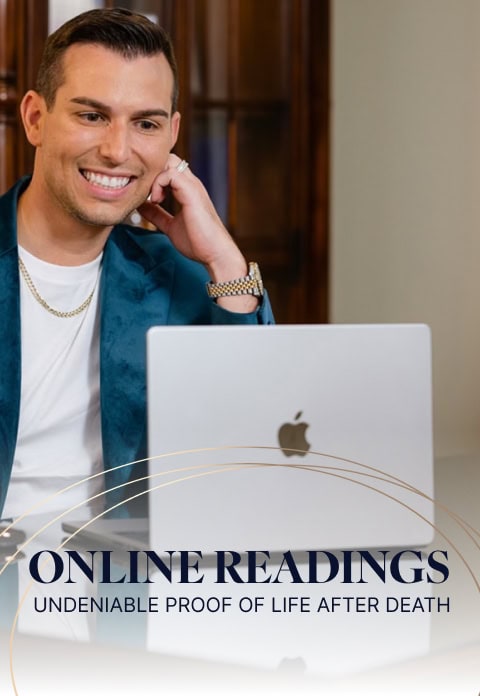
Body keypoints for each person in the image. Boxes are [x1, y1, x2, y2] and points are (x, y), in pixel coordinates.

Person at [0, 8, 273, 519]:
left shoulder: (178, 276)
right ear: (36, 118)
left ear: (171, 135)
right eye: (91, 115)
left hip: (124, 573)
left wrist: (223, 257)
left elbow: (259, 427)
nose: (116, 149)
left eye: (144, 123)